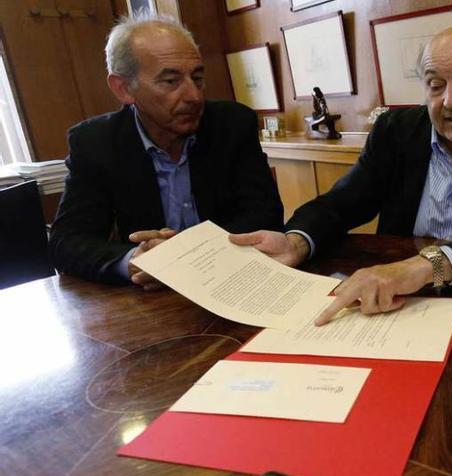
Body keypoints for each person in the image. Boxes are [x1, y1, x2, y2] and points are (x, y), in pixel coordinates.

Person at [231, 27, 452, 325]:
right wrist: (297, 240)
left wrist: (427, 266)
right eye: (436, 86)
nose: (450, 101)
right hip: (397, 306)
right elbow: (343, 203)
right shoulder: (397, 132)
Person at [48, 13, 283, 288]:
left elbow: (265, 216)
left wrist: (186, 255)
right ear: (124, 88)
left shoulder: (232, 124)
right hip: (152, 300)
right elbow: (67, 243)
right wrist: (135, 259)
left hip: (232, 281)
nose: (194, 96)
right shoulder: (96, 143)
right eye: (170, 81)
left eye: (197, 78)